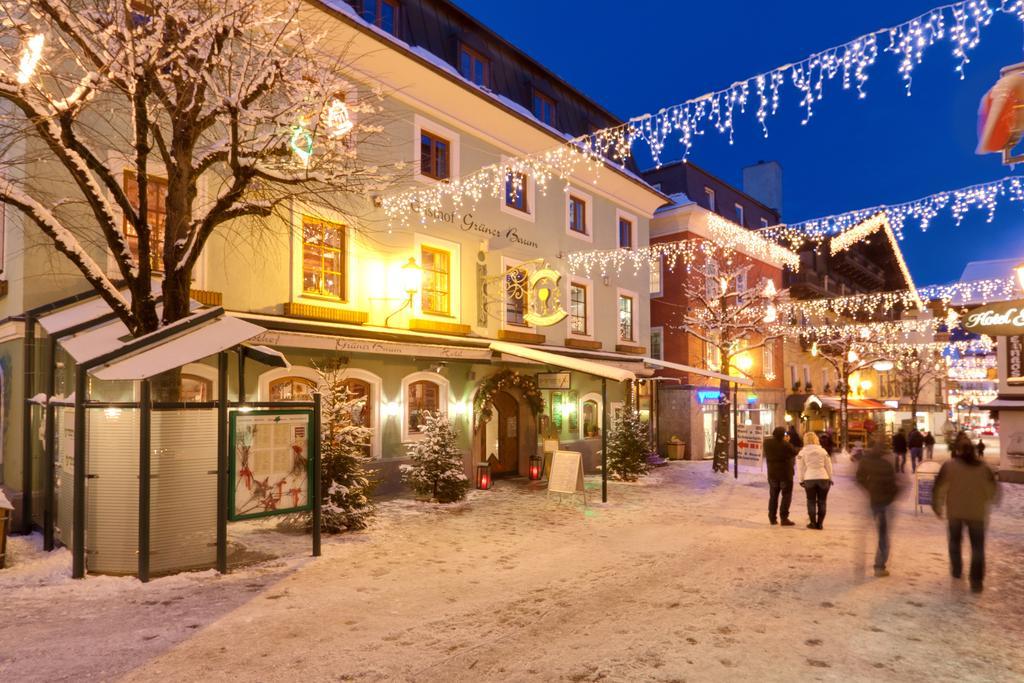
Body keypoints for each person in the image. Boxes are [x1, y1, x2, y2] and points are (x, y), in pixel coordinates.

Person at [932, 433, 1000, 593]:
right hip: (977, 513)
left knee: (955, 542)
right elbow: (992, 490)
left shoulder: (949, 466)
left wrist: (937, 506)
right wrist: (990, 499)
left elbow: (939, 488)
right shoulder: (984, 468)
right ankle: (976, 581)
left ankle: (956, 570)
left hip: (955, 512)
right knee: (977, 548)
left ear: (959, 451)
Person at [856, 436, 901, 577]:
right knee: (883, 535)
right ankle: (879, 566)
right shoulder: (888, 463)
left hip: (872, 500)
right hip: (885, 503)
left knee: (864, 533)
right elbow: (894, 484)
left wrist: (869, 488)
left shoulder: (865, 461)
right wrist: (893, 496)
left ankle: (860, 565)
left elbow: (859, 478)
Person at [797, 432, 834, 529]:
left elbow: (800, 468)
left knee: (811, 501)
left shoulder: (802, 452)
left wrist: (801, 480)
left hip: (809, 478)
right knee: (822, 502)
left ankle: (812, 523)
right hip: (823, 478)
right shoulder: (823, 451)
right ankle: (820, 524)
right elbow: (829, 466)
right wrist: (830, 478)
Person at [764, 427, 798, 527]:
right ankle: (784, 518)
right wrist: (787, 442)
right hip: (785, 474)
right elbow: (794, 452)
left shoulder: (767, 443)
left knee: (773, 496)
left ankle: (772, 518)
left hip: (772, 474)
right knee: (786, 495)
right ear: (783, 435)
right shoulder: (786, 445)